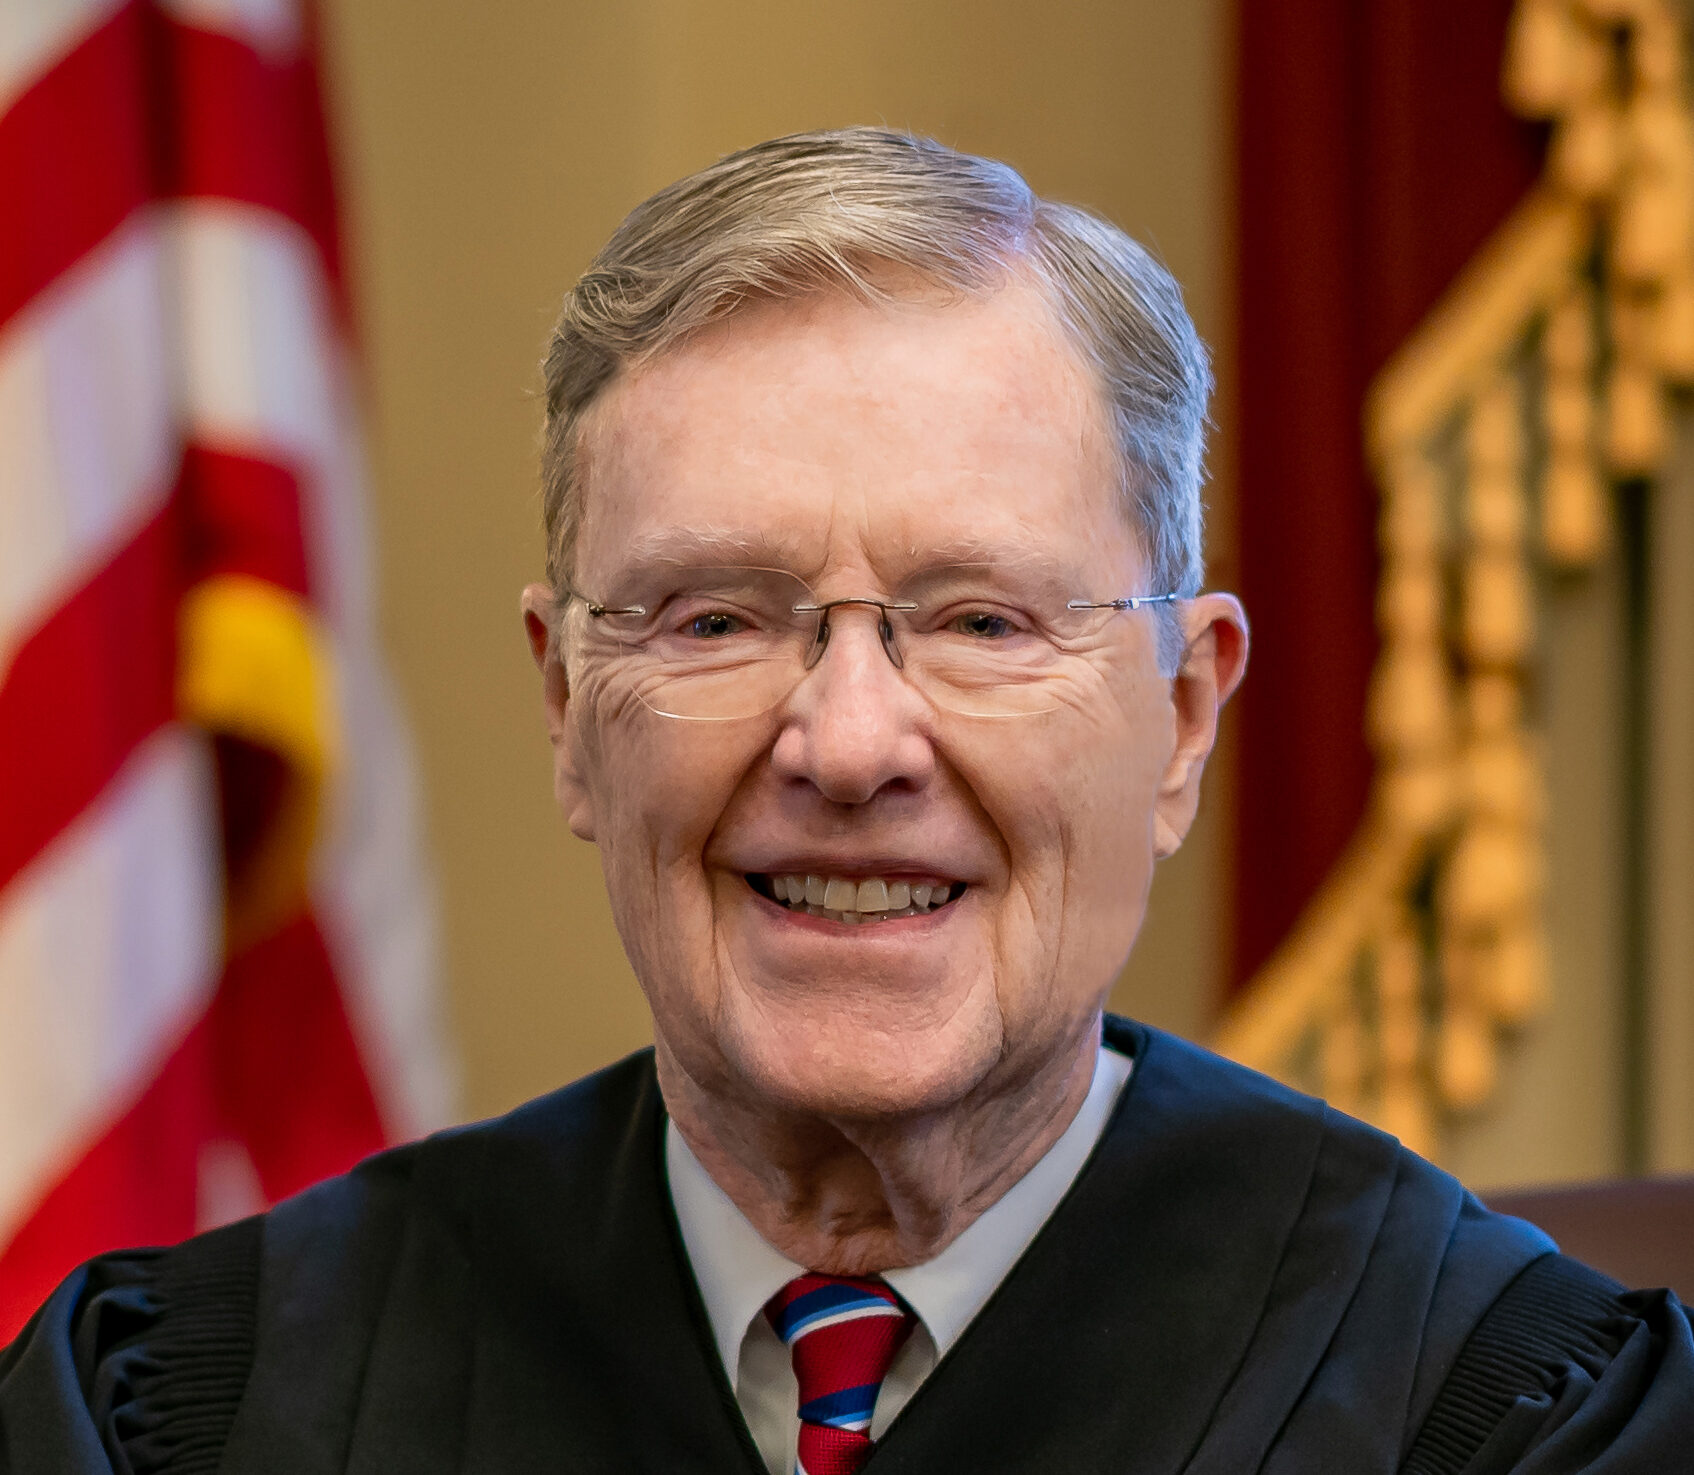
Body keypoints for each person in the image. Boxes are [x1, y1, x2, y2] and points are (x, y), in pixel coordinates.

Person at [2, 127, 1690, 1475]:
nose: (848, 742)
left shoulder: (1499, 1418)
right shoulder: (204, 1416)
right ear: (568, 708)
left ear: (1180, 717)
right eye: (714, 619)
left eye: (981, 622)